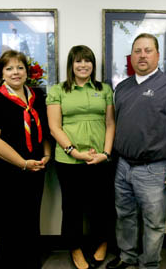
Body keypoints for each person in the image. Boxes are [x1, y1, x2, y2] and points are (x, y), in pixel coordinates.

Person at [106, 33, 166, 269]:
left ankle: (149, 264)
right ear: (131, 56)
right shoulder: (121, 88)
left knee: (154, 223)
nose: (142, 55)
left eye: (148, 50)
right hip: (123, 166)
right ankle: (128, 257)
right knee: (125, 217)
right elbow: (115, 125)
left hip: (154, 169)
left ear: (158, 55)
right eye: (137, 51)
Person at [0, 50, 51, 268]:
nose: (15, 72)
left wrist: (46, 155)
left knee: (30, 217)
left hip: (36, 168)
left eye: (20, 67)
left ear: (27, 72)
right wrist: (22, 163)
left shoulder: (36, 95)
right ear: (1, 73)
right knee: (8, 220)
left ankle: (30, 260)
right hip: (5, 171)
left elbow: (44, 131)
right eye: (9, 68)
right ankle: (9, 263)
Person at [46, 45, 115, 269]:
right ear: (71, 65)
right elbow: (55, 127)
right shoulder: (58, 90)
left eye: (87, 60)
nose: (83, 65)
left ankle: (102, 243)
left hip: (100, 159)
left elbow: (110, 123)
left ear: (93, 65)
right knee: (73, 207)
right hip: (69, 160)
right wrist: (75, 152)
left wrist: (105, 154)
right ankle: (75, 248)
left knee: (101, 205)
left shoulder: (104, 89)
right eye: (78, 61)